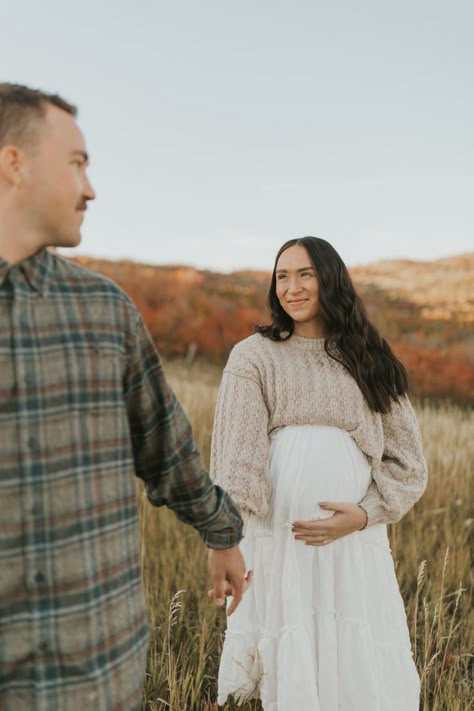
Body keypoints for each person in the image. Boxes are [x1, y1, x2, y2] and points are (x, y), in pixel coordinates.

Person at [0, 83, 250, 711]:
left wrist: (222, 532)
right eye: (78, 163)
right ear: (14, 164)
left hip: (101, 671)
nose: (91, 188)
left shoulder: (104, 312)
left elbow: (166, 449)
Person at [210, 236, 428, 711]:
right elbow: (236, 461)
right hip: (278, 536)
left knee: (351, 649)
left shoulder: (369, 356)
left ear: (331, 278)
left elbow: (408, 463)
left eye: (305, 274)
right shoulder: (253, 357)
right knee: (288, 646)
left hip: (353, 543)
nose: (292, 287)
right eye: (282, 276)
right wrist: (224, 540)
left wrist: (365, 515)